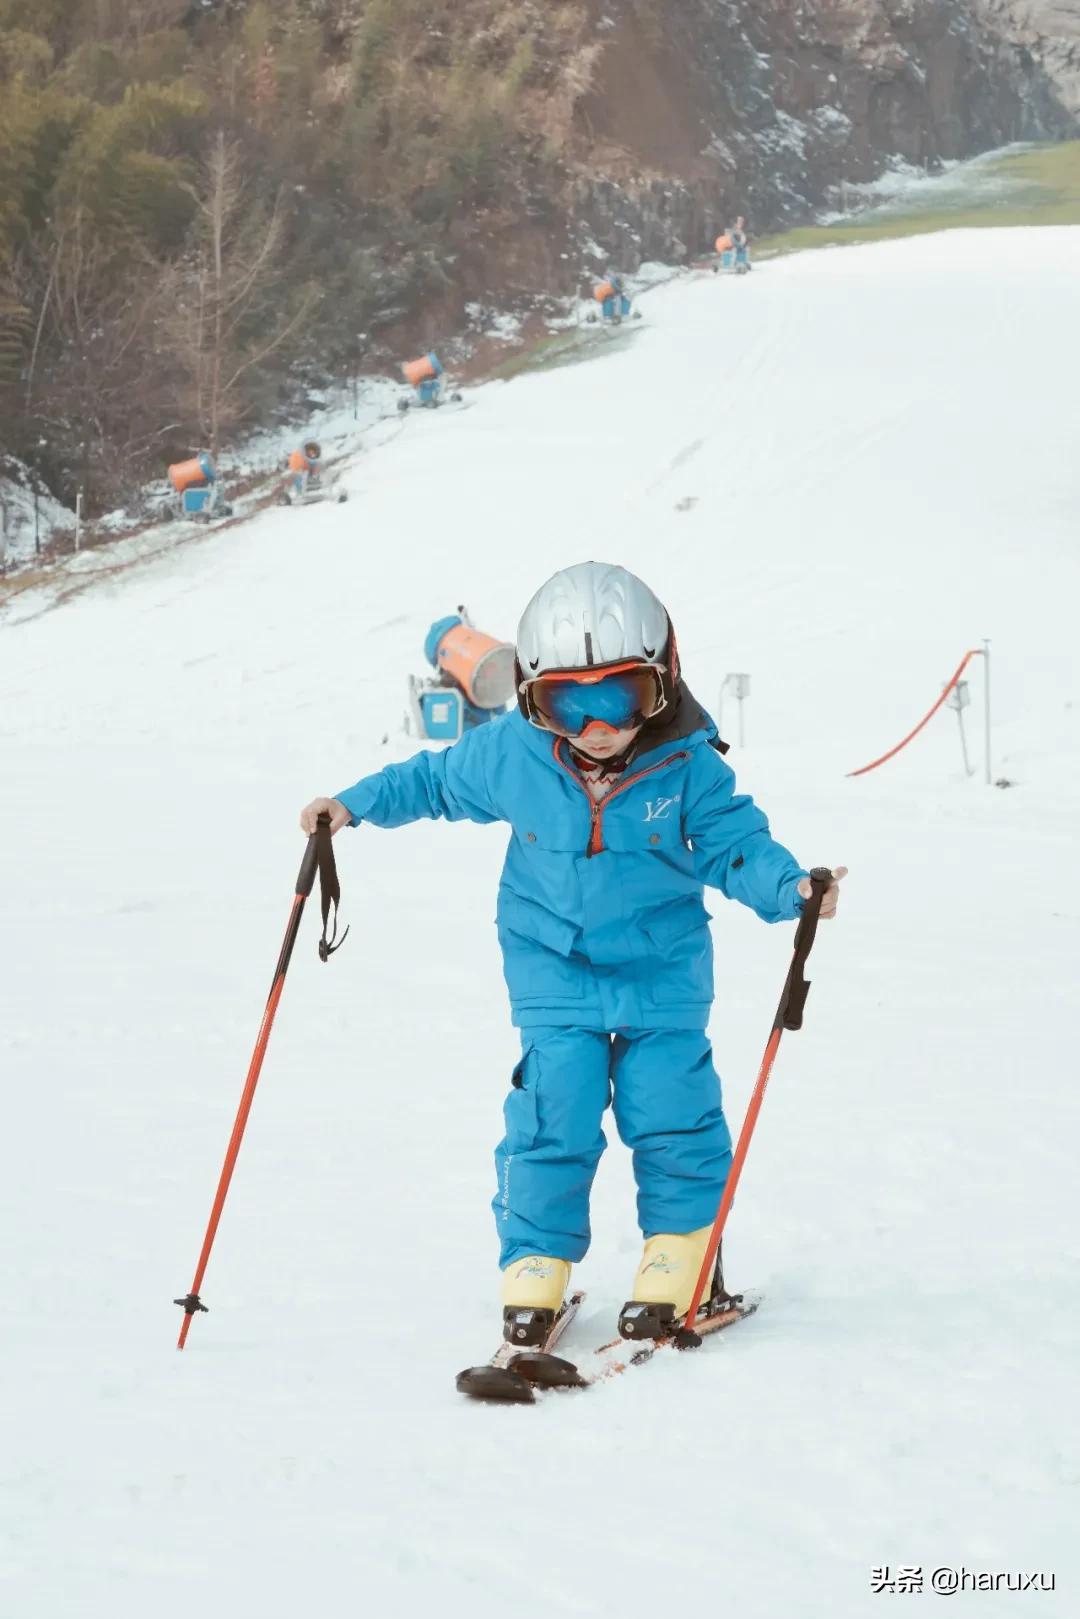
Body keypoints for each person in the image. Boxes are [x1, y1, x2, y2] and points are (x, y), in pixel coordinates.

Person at [300, 563, 846, 1341]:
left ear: (661, 681)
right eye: (568, 702)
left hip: (661, 971)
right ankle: (536, 1263)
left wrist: (791, 887)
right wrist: (349, 806)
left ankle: (682, 1253)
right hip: (552, 966)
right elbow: (428, 782)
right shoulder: (512, 756)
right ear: (533, 697)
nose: (596, 727)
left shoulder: (686, 765)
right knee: (553, 1110)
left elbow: (736, 845)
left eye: (619, 697)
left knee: (672, 1113)